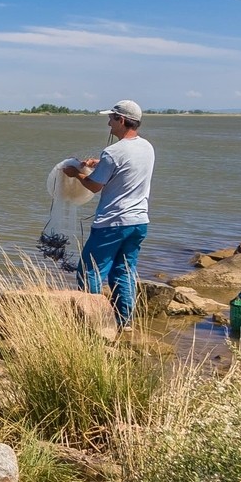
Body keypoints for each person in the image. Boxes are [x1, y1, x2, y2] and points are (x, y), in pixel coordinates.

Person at [62, 100, 155, 329]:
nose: (108, 124)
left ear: (122, 120)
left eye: (112, 119)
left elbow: (95, 186)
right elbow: (124, 171)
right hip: (139, 222)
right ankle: (124, 322)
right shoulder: (147, 147)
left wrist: (76, 173)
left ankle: (93, 322)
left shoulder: (113, 152)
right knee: (124, 270)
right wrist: (99, 164)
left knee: (89, 270)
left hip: (112, 223)